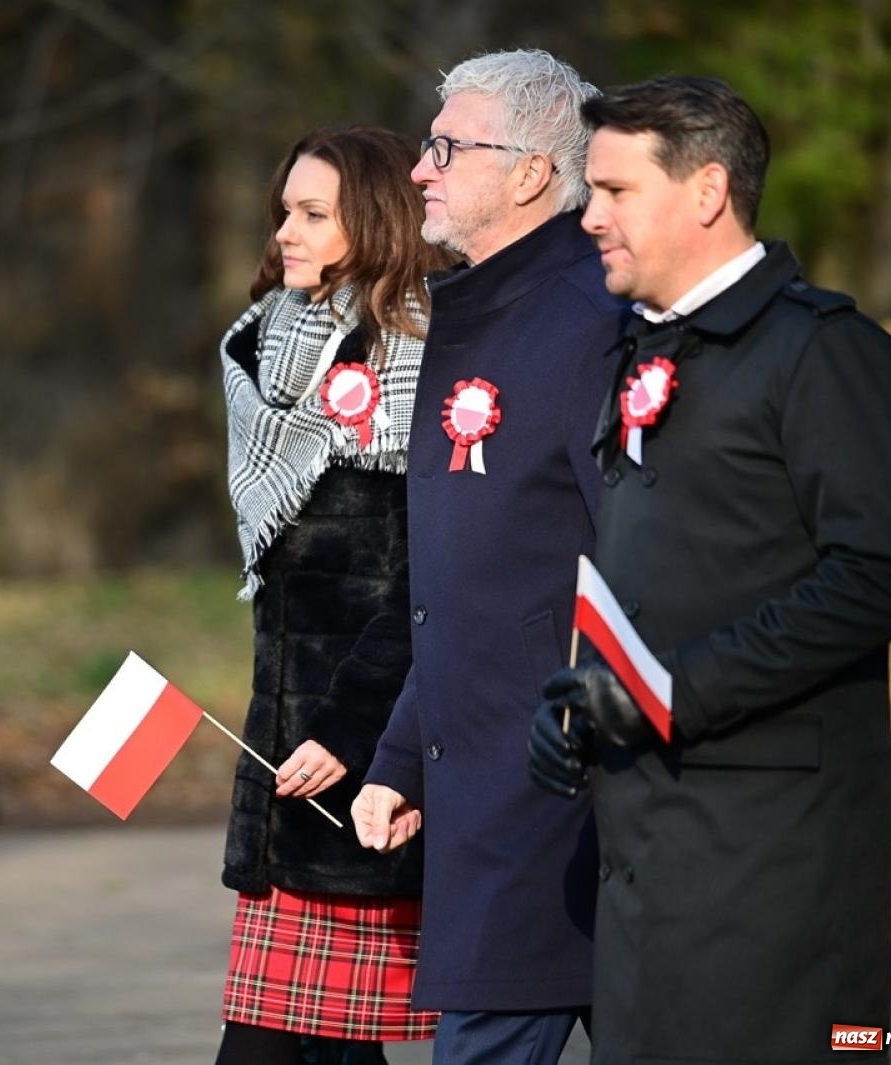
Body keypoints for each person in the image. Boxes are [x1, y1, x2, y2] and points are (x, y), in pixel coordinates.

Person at [528, 76, 891, 1064]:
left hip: (769, 862)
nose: (589, 216)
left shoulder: (819, 351)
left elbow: (880, 575)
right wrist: (590, 702)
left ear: (706, 191)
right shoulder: (643, 347)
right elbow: (658, 569)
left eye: (616, 191)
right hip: (646, 846)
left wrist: (671, 692)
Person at [349, 50, 625, 1065]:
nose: (420, 169)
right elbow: (473, 578)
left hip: (558, 796)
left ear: (527, 175)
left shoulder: (588, 323)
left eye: (446, 147)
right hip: (480, 792)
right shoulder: (477, 314)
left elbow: (631, 566)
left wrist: (580, 728)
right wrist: (396, 757)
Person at [215, 126, 450, 1065]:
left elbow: (426, 582)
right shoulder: (265, 341)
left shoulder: (423, 356)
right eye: (285, 211)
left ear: (379, 222)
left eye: (314, 214)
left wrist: (354, 732)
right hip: (282, 754)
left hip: (369, 759)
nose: (285, 232)